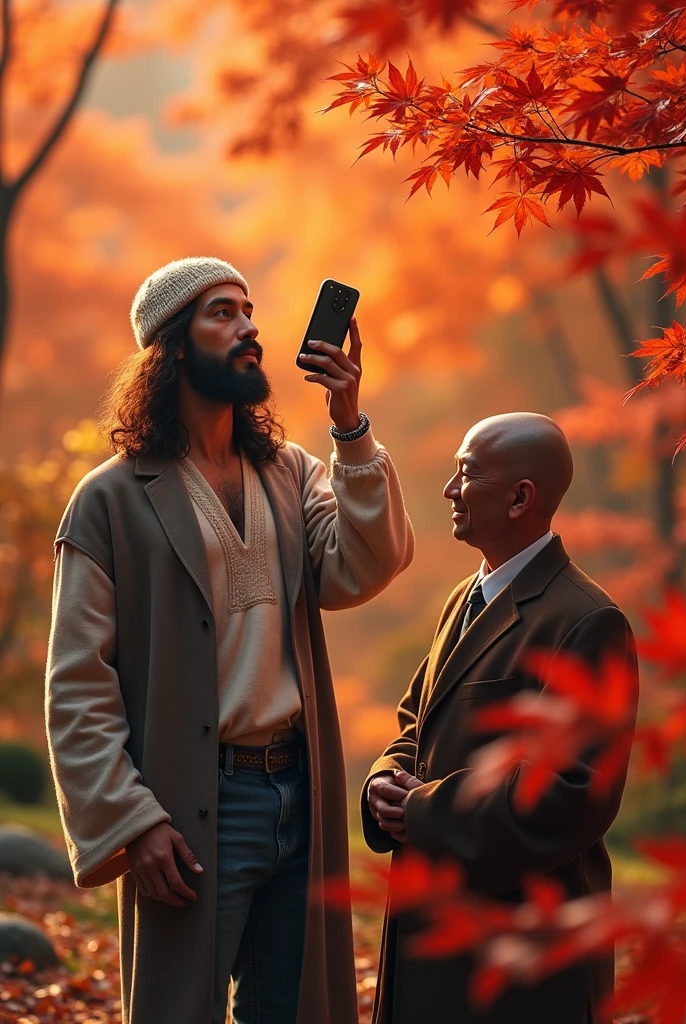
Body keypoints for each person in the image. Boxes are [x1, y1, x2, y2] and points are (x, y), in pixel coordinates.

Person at [45, 256, 414, 1024]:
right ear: (172, 348)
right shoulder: (108, 500)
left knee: (293, 1010)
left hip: (299, 794)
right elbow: (79, 683)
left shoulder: (291, 472)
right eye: (222, 312)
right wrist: (131, 818)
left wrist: (350, 425)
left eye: (248, 310)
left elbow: (362, 569)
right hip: (190, 802)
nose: (249, 328)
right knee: (180, 1009)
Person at [362, 412, 638, 1024]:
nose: (449, 490)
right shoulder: (464, 598)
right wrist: (386, 777)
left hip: (520, 957)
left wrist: (423, 810)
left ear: (520, 498)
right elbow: (418, 720)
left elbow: (571, 794)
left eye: (467, 474)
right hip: (431, 936)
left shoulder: (587, 622)